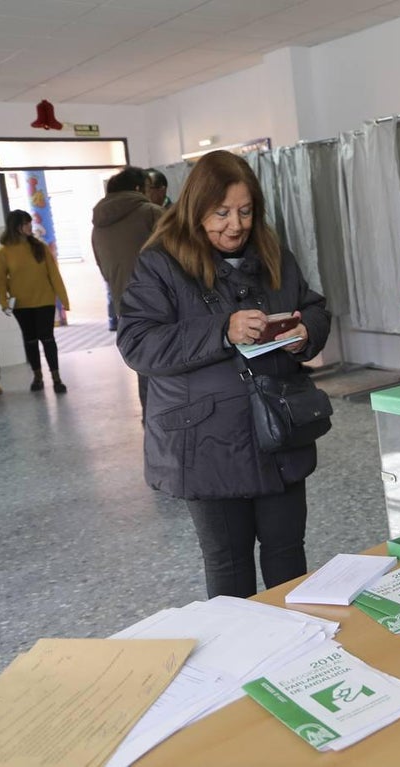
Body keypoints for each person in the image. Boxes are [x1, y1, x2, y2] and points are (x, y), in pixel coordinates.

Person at [117, 150, 331, 599]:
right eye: (222, 212)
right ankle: (239, 662)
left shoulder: (272, 250)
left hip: (278, 430)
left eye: (246, 211)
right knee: (230, 568)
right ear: (196, 208)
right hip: (208, 443)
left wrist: (303, 332)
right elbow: (138, 343)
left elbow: (312, 305)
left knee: (288, 554)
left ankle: (297, 649)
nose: (235, 224)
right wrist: (222, 329)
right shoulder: (161, 262)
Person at [93, 165, 165, 410]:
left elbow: (104, 270)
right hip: (164, 303)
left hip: (125, 306)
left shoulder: (98, 226)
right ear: (137, 188)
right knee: (172, 366)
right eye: (146, 187)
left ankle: (150, 422)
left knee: (143, 365)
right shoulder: (152, 213)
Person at [0, 210, 70, 393]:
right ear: (16, 227)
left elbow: (54, 274)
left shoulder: (40, 247)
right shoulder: (4, 252)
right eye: (26, 223)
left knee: (47, 338)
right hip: (21, 305)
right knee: (30, 341)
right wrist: (4, 302)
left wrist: (63, 299)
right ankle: (37, 377)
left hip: (44, 300)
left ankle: (56, 378)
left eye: (30, 223)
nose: (30, 226)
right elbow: (0, 280)